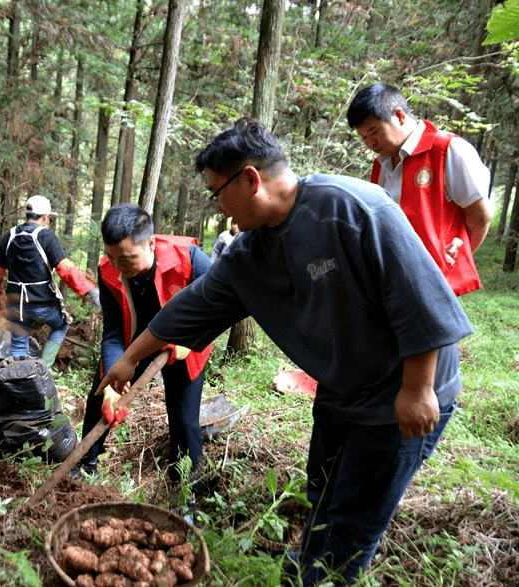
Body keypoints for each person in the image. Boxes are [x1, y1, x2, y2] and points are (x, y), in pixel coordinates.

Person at [96, 118, 473, 586]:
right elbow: (195, 305)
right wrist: (132, 356)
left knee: (355, 515)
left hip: (401, 396)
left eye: (217, 193)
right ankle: (305, 571)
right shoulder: (250, 252)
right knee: (323, 493)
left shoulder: (353, 209)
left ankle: (325, 576)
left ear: (250, 179)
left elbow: (420, 297)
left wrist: (417, 389)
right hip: (341, 390)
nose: (218, 208)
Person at [75, 203, 213, 502]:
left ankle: (187, 489)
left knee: (184, 419)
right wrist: (115, 374)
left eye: (125, 258)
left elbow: (222, 303)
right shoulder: (108, 268)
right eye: (111, 256)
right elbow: (113, 331)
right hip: (137, 343)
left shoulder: (188, 260)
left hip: (183, 345)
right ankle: (85, 466)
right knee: (100, 395)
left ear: (150, 243)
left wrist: (190, 339)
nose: (117, 265)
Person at [347, 82, 493, 296]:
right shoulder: (382, 163)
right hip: (389, 281)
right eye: (364, 138)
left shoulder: (447, 149)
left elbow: (480, 216)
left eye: (374, 132)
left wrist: (451, 266)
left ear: (399, 116)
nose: (371, 143)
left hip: (434, 285)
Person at [0, 195, 100, 367]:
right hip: (43, 305)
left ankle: (19, 377)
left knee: (19, 343)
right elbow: (65, 268)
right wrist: (90, 291)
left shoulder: (9, 236)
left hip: (16, 305)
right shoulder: (46, 236)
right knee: (61, 326)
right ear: (46, 217)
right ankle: (43, 368)